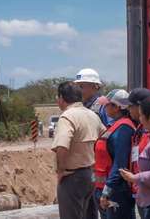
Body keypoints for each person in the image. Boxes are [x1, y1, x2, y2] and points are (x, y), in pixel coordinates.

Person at [51, 81, 106, 219]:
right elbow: (105, 139)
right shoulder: (92, 115)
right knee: (89, 214)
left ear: (62, 98)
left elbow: (62, 146)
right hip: (91, 175)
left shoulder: (67, 117)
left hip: (72, 177)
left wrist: (61, 171)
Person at [95, 89, 135, 219]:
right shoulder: (115, 126)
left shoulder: (124, 129)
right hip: (106, 188)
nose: (104, 107)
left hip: (117, 191)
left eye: (107, 104)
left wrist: (107, 191)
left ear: (117, 107)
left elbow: (120, 163)